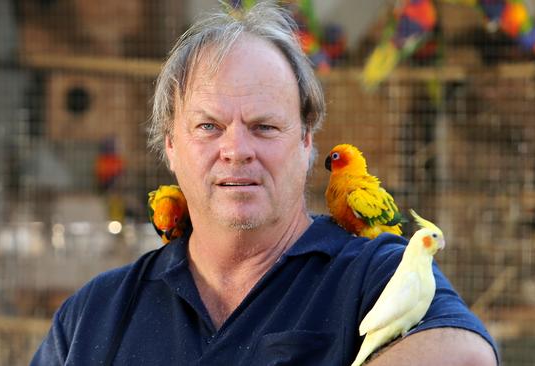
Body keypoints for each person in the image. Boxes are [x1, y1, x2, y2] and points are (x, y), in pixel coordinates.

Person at [32, 2, 498, 365]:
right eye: (209, 127)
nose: (237, 150)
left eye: (264, 127)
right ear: (170, 145)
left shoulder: (376, 273)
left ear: (306, 141)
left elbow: (466, 355)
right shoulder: (95, 313)